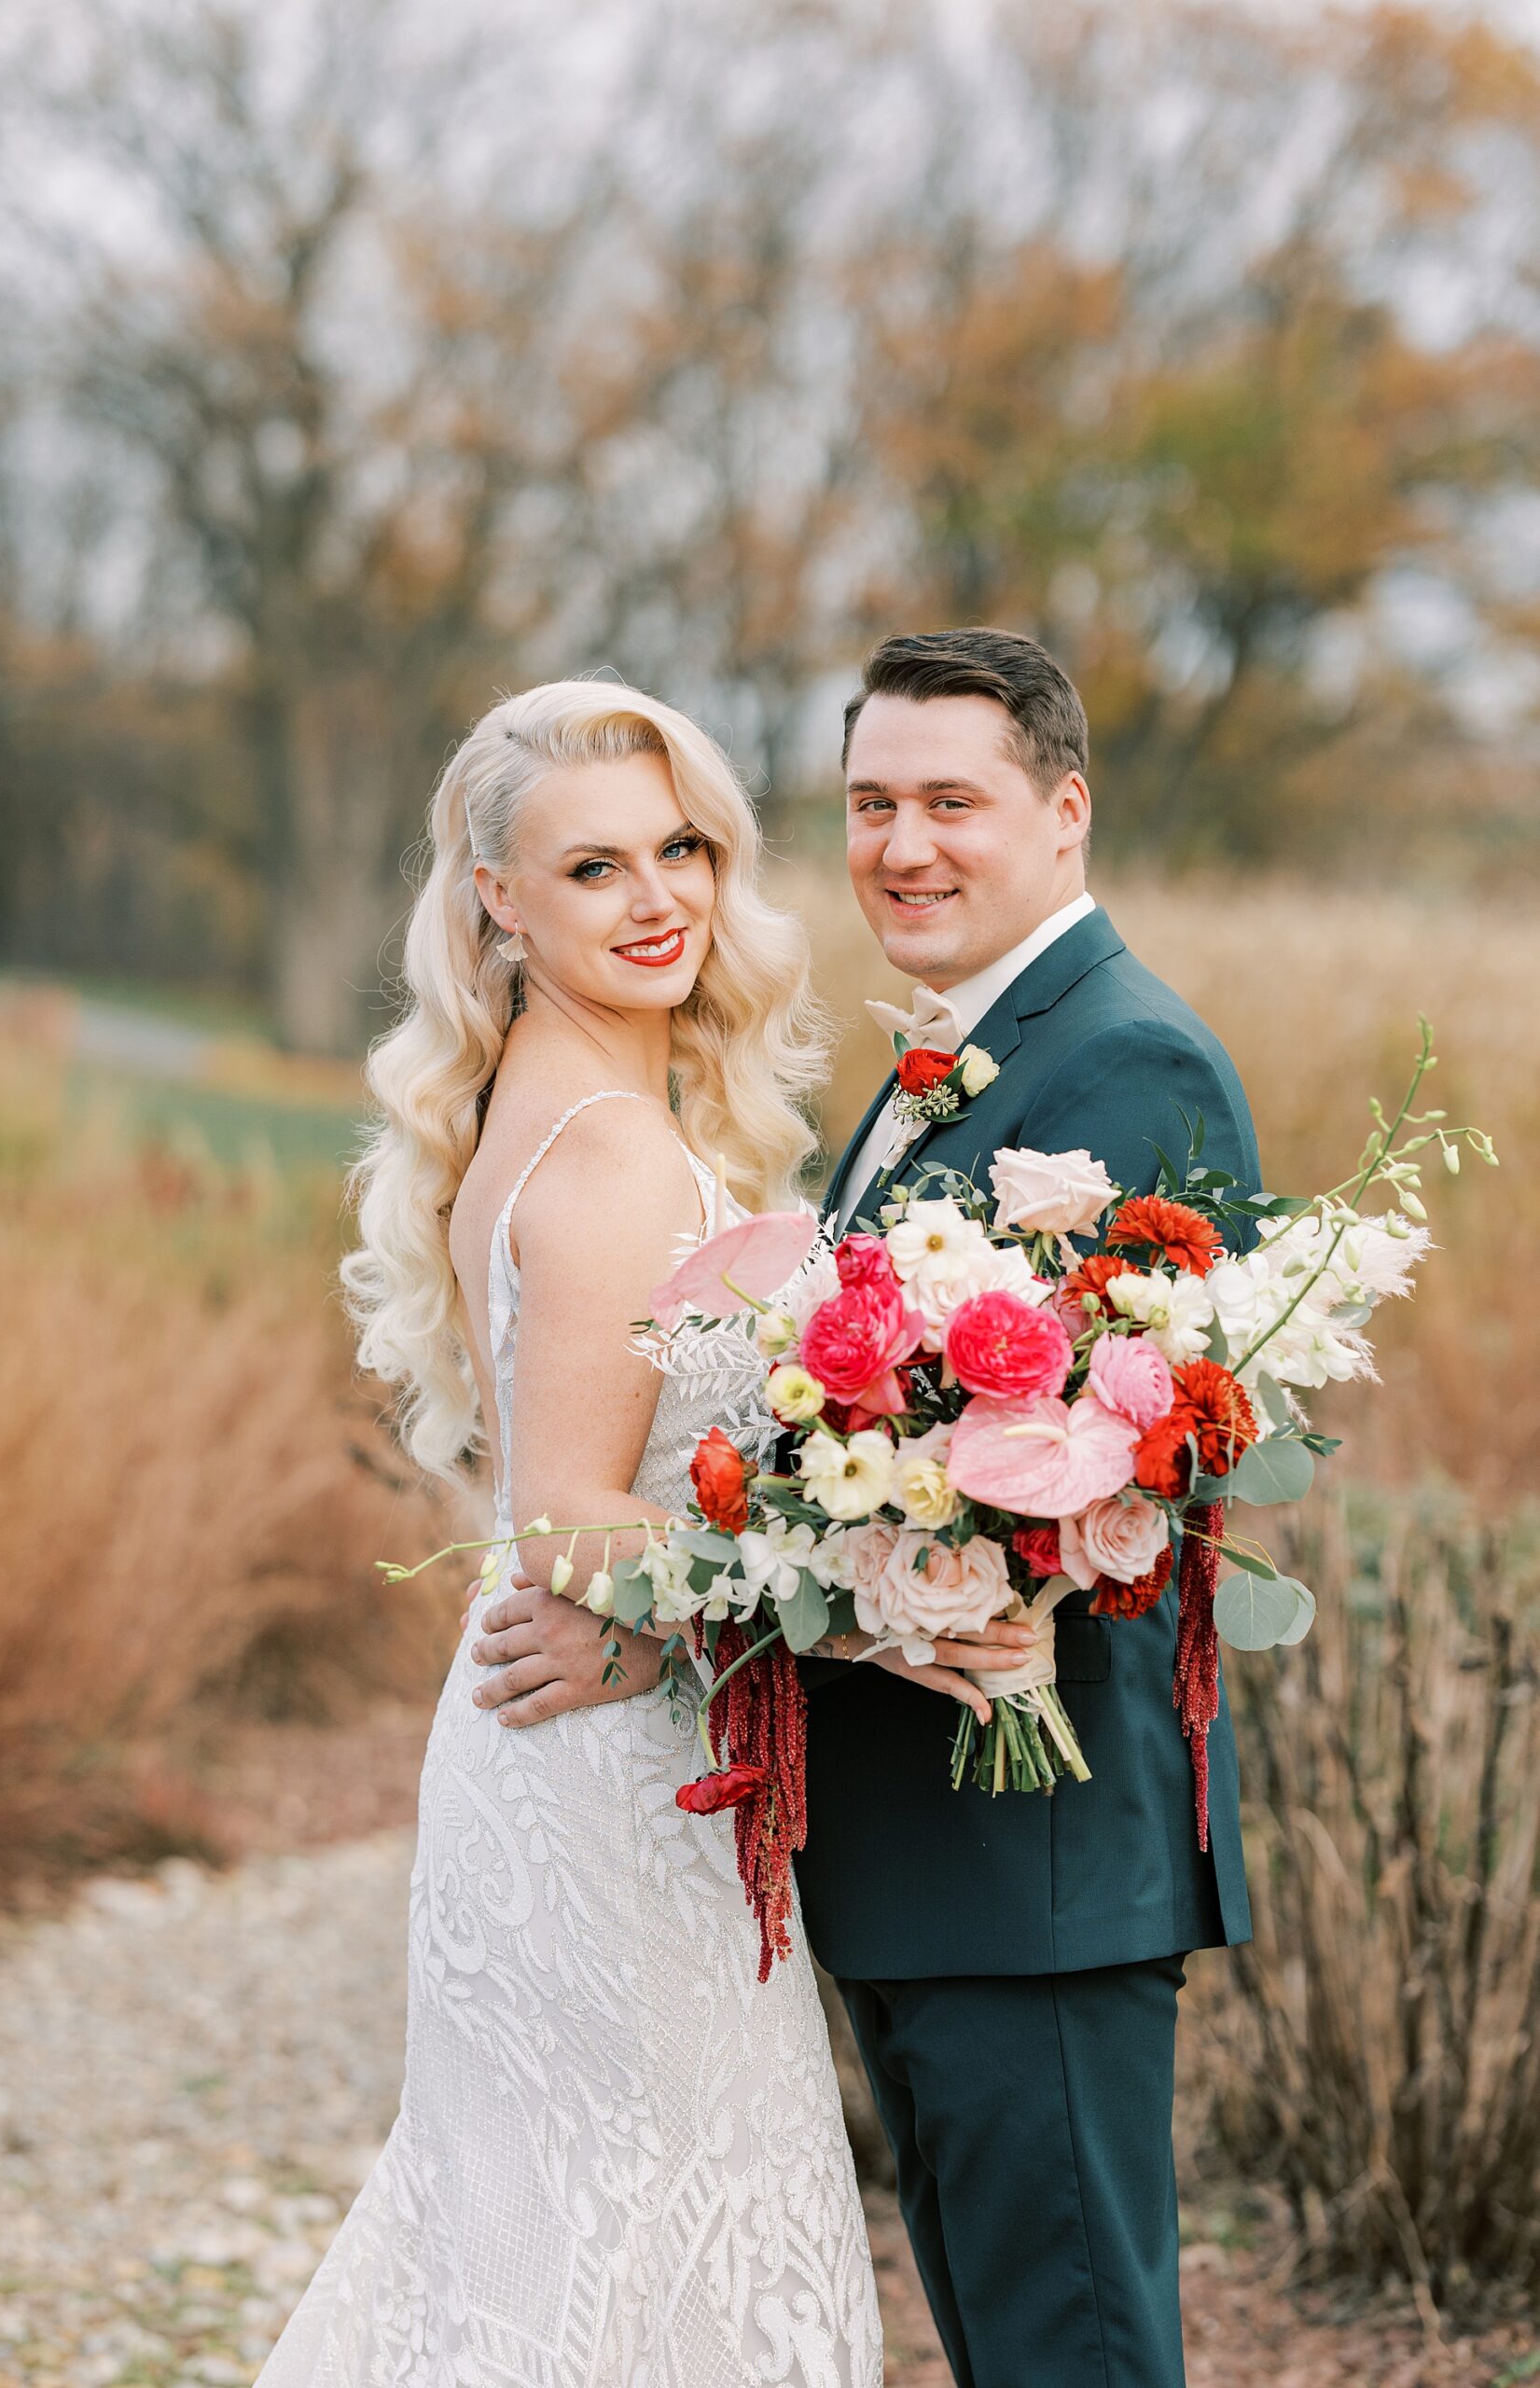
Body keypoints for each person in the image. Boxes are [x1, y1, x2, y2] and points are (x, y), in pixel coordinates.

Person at [256, 681, 882, 2388]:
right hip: (611, 1775)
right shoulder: (609, 1154)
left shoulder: (561, 1110)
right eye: (594, 868)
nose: (659, 897)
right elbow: (570, 1524)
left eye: (680, 848)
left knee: (552, 2244)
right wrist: (868, 1579)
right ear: (498, 902)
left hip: (581, 1753)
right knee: (638, 2255)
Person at [795, 627, 1260, 2388]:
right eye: (870, 804)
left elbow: (1162, 1438)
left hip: (1034, 1854)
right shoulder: (960, 1055)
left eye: (950, 803)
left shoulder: (1126, 1061)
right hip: (933, 1851)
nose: (903, 846)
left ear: (1063, 814)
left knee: (1071, 2348)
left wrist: (906, 1568)